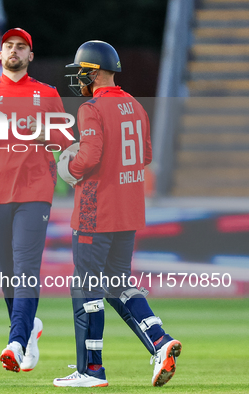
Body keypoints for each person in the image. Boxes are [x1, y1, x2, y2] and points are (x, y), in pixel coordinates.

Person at [53, 40, 182, 388]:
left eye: (82, 71)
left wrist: (69, 168)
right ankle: (160, 341)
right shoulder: (136, 106)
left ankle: (90, 370)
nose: (78, 77)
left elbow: (90, 157)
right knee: (118, 284)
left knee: (86, 287)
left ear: (93, 72)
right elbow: (146, 156)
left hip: (97, 211)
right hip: (129, 210)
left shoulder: (91, 108)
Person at [0, 28, 74, 373]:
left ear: (30, 56)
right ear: (1, 53)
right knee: (8, 276)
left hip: (34, 194)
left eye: (21, 47)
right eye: (9, 46)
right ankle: (29, 329)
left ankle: (16, 342)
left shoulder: (46, 94)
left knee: (25, 269)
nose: (15, 51)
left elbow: (66, 143)